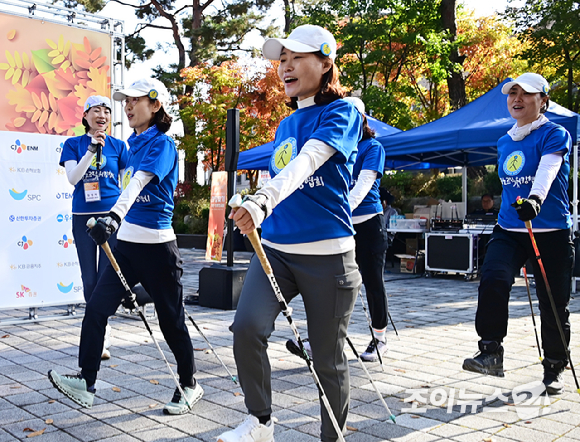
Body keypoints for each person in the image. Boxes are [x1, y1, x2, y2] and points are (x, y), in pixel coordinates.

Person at [219, 24, 362, 442]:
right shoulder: (285, 123)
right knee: (246, 328)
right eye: (282, 60)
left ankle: (332, 437)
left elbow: (308, 161)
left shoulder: (344, 111)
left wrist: (262, 199)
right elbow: (281, 174)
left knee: (327, 360)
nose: (286, 67)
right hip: (275, 251)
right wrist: (255, 209)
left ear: (325, 62)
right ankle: (260, 422)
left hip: (328, 256)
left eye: (297, 57)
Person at [48, 78, 203, 414]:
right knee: (96, 308)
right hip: (127, 248)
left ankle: (189, 383)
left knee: (171, 322)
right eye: (126, 101)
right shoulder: (132, 144)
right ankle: (86, 382)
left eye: (136, 100)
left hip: (158, 248)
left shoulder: (162, 145)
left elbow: (135, 186)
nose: (128, 106)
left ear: (156, 105)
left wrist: (113, 218)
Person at [462, 73, 574, 395]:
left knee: (553, 303)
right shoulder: (505, 141)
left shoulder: (554, 134)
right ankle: (490, 351)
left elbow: (547, 171)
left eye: (526, 94)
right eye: (512, 94)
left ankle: (554, 366)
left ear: (543, 101)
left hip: (549, 231)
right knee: (493, 278)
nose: (517, 99)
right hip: (510, 228)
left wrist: (536, 200)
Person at [285, 97, 389, 363]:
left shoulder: (372, 147)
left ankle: (379, 338)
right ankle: (320, 339)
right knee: (329, 284)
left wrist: (340, 211)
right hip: (338, 223)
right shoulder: (333, 141)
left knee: (372, 282)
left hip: (366, 222)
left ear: (362, 120)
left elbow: (364, 184)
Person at [59, 95, 127, 361]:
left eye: (107, 111)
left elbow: (126, 181)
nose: (103, 115)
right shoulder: (73, 144)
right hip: (83, 216)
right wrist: (91, 150)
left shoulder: (120, 146)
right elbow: (73, 178)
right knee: (89, 279)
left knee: (106, 277)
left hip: (111, 217)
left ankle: (103, 333)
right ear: (85, 116)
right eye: (97, 110)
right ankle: (99, 329)